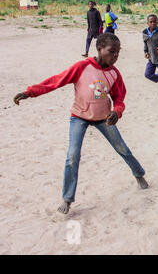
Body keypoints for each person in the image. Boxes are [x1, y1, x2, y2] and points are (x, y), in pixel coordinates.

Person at [13, 33, 149, 215]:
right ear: (99, 49)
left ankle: (138, 173)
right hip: (79, 117)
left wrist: (117, 112)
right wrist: (30, 92)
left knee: (122, 148)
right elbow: (55, 81)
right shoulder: (82, 67)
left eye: (118, 52)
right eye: (111, 51)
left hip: (103, 118)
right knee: (72, 155)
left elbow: (120, 99)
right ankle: (67, 199)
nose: (115, 56)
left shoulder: (114, 74)